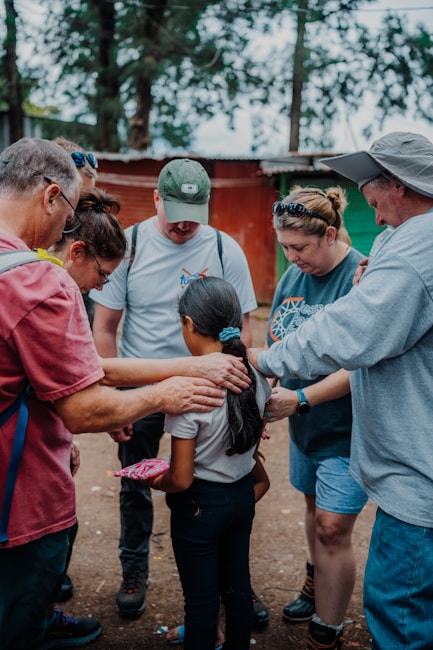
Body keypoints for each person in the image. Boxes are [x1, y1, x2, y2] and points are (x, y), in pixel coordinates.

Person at [0, 138, 244, 650]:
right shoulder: (39, 281)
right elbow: (84, 402)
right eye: (69, 209)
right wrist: (166, 392)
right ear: (50, 197)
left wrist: (181, 370)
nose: (67, 230)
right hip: (15, 495)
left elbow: (90, 367)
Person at [249, 131, 433, 650]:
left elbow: (349, 334)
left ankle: (331, 628)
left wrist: (265, 361)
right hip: (385, 456)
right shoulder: (402, 243)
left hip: (416, 472)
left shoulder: (416, 248)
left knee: (398, 611)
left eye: (373, 196)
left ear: (397, 185)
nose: (372, 213)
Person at [90, 158, 268, 625]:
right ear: (155, 199)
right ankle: (134, 571)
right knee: (137, 482)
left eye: (194, 211)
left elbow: (243, 332)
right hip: (143, 389)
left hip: (212, 393)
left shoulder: (226, 250)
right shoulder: (127, 246)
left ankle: (236, 587)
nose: (186, 222)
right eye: (175, 211)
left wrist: (246, 401)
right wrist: (115, 397)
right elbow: (105, 328)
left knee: (224, 482)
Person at [263, 187, 367, 650]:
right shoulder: (292, 277)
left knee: (332, 526)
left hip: (347, 432)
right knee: (311, 507)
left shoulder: (361, 276)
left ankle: (327, 632)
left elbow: (361, 363)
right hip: (304, 428)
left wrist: (300, 398)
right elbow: (281, 344)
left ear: (329, 234)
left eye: (299, 247)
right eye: (283, 247)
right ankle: (314, 580)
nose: (291, 257)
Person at [143, 276, 272, 650]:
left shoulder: (189, 389)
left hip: (198, 508)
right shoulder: (257, 377)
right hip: (240, 499)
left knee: (200, 605)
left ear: (188, 325)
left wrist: (154, 479)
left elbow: (181, 479)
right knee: (237, 591)